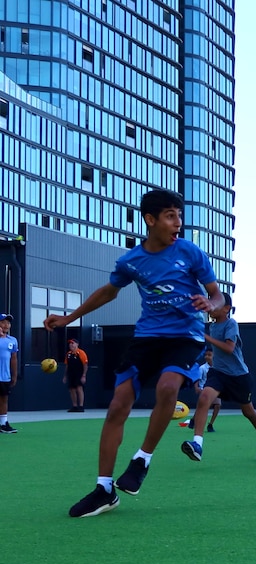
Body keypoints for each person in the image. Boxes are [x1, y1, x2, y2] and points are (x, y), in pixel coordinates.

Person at [44, 189, 225, 518]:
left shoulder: (190, 253)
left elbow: (218, 295)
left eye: (179, 216)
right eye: (171, 216)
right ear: (150, 219)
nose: (178, 223)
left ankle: (142, 459)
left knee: (168, 387)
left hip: (185, 337)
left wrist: (210, 306)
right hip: (146, 338)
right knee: (117, 405)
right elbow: (108, 292)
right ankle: (104, 489)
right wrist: (69, 318)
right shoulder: (131, 261)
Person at [181, 293, 256, 462]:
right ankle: (197, 445)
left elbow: (229, 348)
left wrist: (206, 337)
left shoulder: (231, 324)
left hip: (239, 377)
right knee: (204, 399)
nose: (210, 306)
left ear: (226, 309)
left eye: (214, 303)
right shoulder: (212, 326)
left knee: (248, 411)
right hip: (218, 373)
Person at [186, 349, 220, 432]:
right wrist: (197, 387)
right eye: (206, 355)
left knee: (217, 405)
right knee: (203, 407)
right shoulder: (202, 368)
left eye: (209, 355)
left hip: (215, 389)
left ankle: (210, 424)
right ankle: (194, 419)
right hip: (204, 389)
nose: (207, 357)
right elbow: (197, 378)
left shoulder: (218, 367)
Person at [0, 313, 19, 434]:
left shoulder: (12, 340)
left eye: (8, 323)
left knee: (4, 399)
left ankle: (3, 424)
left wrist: (14, 375)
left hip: (4, 376)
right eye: (3, 322)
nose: (6, 325)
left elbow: (14, 359)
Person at [63, 338, 89, 412]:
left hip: (79, 373)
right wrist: (65, 376)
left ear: (77, 344)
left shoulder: (81, 353)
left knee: (79, 388)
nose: (71, 345)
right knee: (72, 389)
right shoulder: (68, 354)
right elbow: (67, 365)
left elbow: (85, 365)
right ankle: (74, 406)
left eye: (73, 343)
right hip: (71, 374)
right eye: (70, 343)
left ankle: (81, 406)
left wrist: (84, 375)